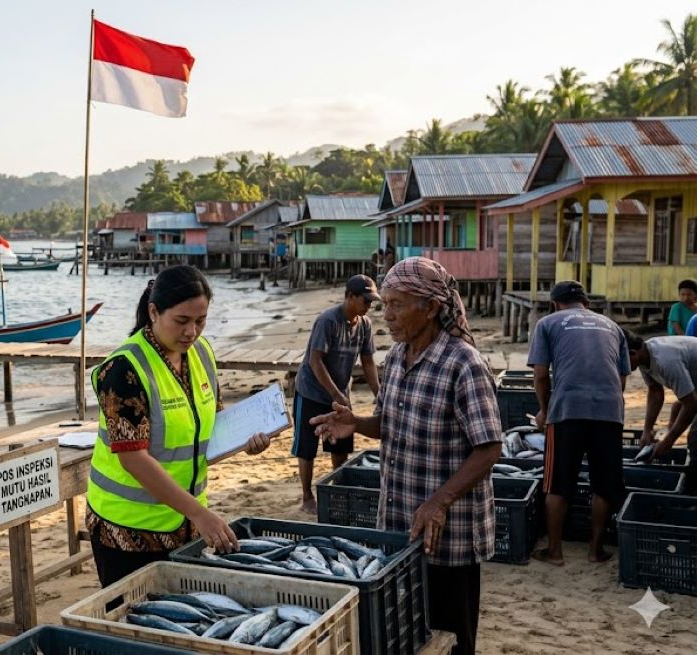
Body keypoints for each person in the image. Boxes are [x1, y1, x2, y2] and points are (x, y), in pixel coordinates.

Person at [311, 257, 500, 655]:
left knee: (452, 637)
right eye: (384, 305)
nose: (387, 316)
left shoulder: (464, 363)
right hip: (397, 525)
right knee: (409, 633)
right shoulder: (396, 358)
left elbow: (489, 447)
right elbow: (387, 423)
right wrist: (357, 423)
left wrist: (439, 502)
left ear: (430, 308)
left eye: (397, 304)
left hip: (448, 535)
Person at [86, 264, 272, 587]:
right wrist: (198, 513)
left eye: (201, 321)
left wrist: (244, 440)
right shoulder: (123, 369)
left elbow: (208, 426)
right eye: (182, 321)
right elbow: (133, 459)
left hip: (184, 525)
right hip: (127, 531)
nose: (192, 332)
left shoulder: (201, 353)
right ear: (154, 312)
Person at [526, 281, 630, 566]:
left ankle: (555, 551)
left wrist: (545, 410)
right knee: (603, 485)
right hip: (610, 411)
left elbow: (540, 376)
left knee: (557, 485)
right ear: (586, 302)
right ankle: (595, 551)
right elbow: (621, 379)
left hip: (567, 410)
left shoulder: (547, 323)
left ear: (555, 303)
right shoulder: (613, 326)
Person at [292, 274, 381, 513]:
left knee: (340, 446)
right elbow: (315, 360)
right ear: (350, 297)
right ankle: (307, 496)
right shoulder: (327, 321)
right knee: (307, 447)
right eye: (365, 300)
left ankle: (338, 491)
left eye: (371, 302)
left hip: (340, 393)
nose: (368, 306)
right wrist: (335, 393)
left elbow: (368, 362)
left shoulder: (365, 325)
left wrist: (379, 394)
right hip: (311, 391)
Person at [627, 333, 697, 495]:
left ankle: (691, 495)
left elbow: (691, 404)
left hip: (693, 396)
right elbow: (655, 391)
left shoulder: (665, 361)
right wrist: (647, 429)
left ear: (632, 353)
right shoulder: (645, 357)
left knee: (694, 440)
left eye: (621, 359)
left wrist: (668, 441)